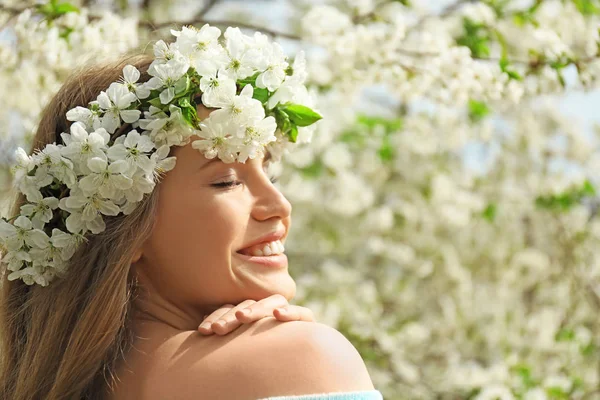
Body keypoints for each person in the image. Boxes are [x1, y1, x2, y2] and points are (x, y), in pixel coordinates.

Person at [0, 25, 382, 400]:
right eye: (227, 181)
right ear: (122, 226)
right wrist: (291, 346)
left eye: (271, 173)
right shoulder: (304, 361)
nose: (279, 206)